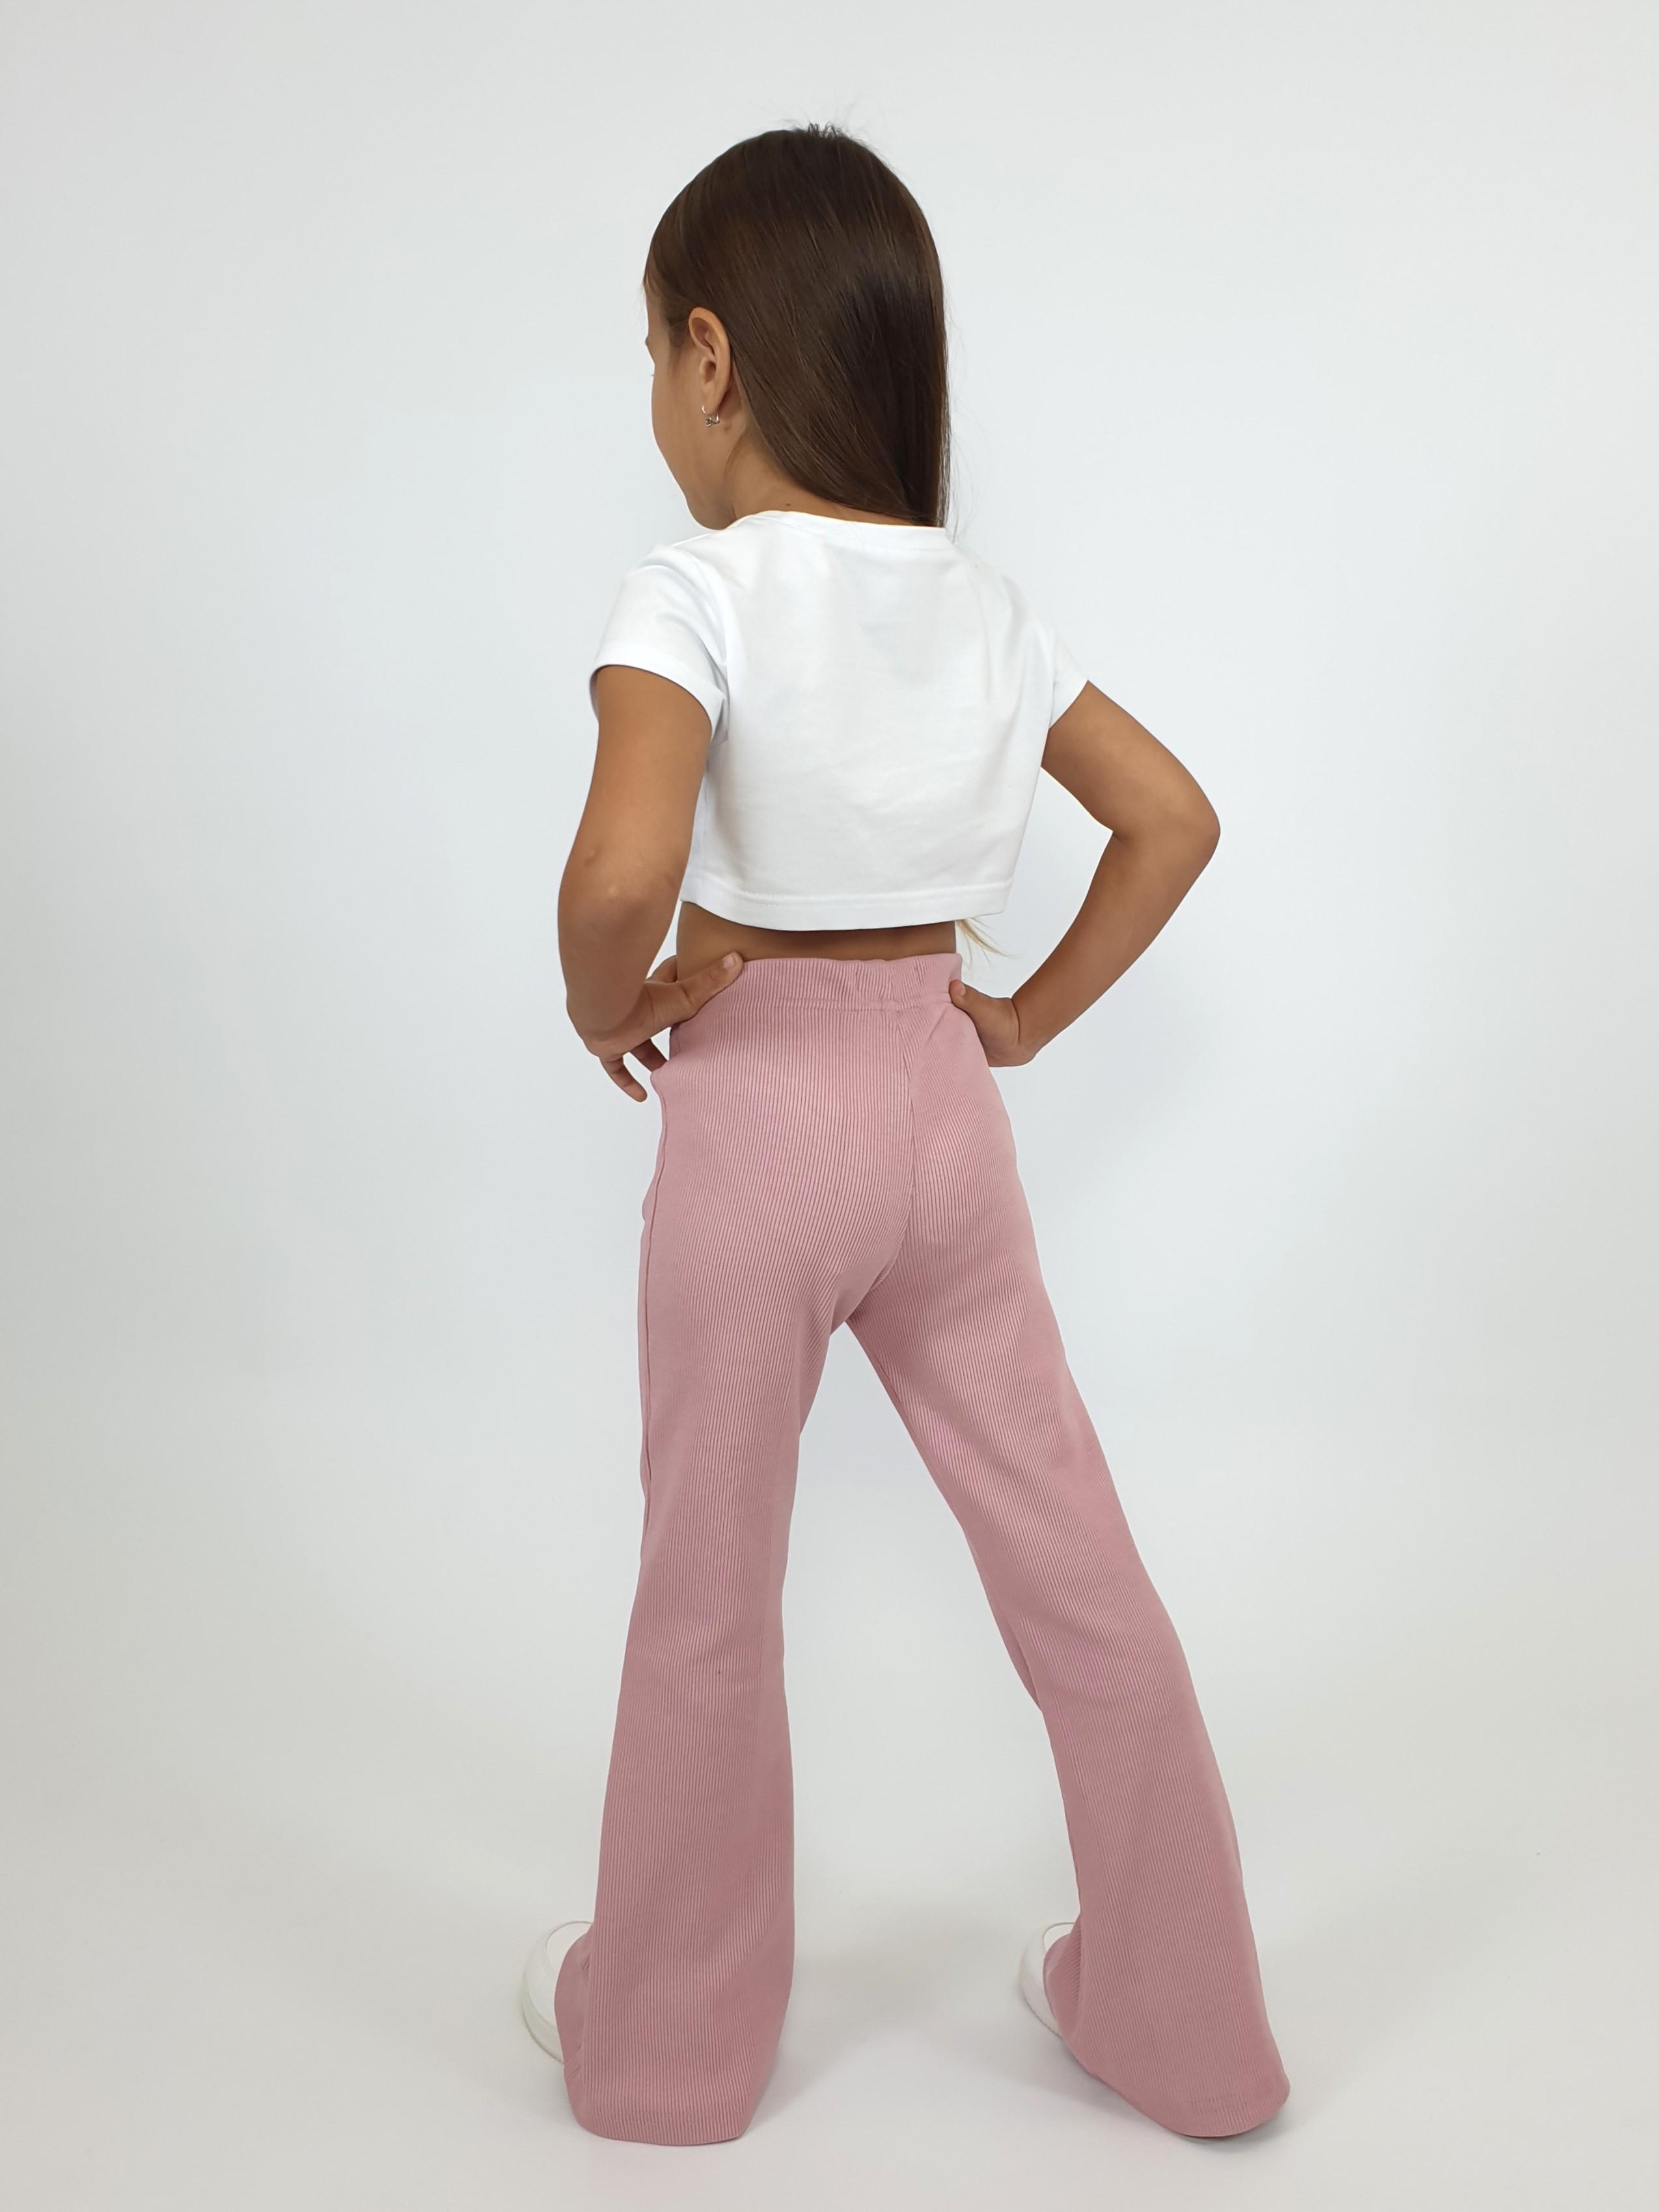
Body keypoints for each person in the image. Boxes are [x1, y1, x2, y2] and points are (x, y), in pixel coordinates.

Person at [521, 120, 1291, 2150]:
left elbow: (620, 876)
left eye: (653, 357)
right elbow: (1173, 820)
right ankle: (1192, 2029)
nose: (657, 399)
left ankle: (668, 2054)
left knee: (707, 1592)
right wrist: (1021, 1016)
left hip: (758, 1120)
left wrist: (612, 1003)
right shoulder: (984, 606)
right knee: (1077, 1569)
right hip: (948, 1127)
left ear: (709, 357)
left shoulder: (692, 587)